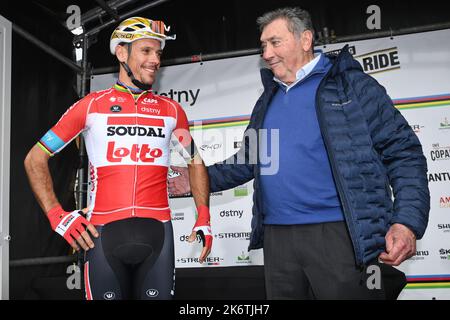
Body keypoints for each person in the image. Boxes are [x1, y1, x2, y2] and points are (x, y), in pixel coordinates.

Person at [168, 7, 430, 299]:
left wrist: (406, 221)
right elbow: (249, 160)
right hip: (278, 240)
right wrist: (197, 179)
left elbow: (403, 152)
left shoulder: (351, 85)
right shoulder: (267, 100)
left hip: (341, 236)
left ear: (305, 40)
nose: (266, 53)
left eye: (275, 42)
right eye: (263, 45)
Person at [24, 17, 212, 300]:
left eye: (158, 53)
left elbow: (195, 161)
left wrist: (204, 215)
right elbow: (34, 159)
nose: (155, 60)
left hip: (158, 236)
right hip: (103, 236)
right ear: (122, 53)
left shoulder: (172, 111)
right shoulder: (90, 106)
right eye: (146, 51)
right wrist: (57, 216)